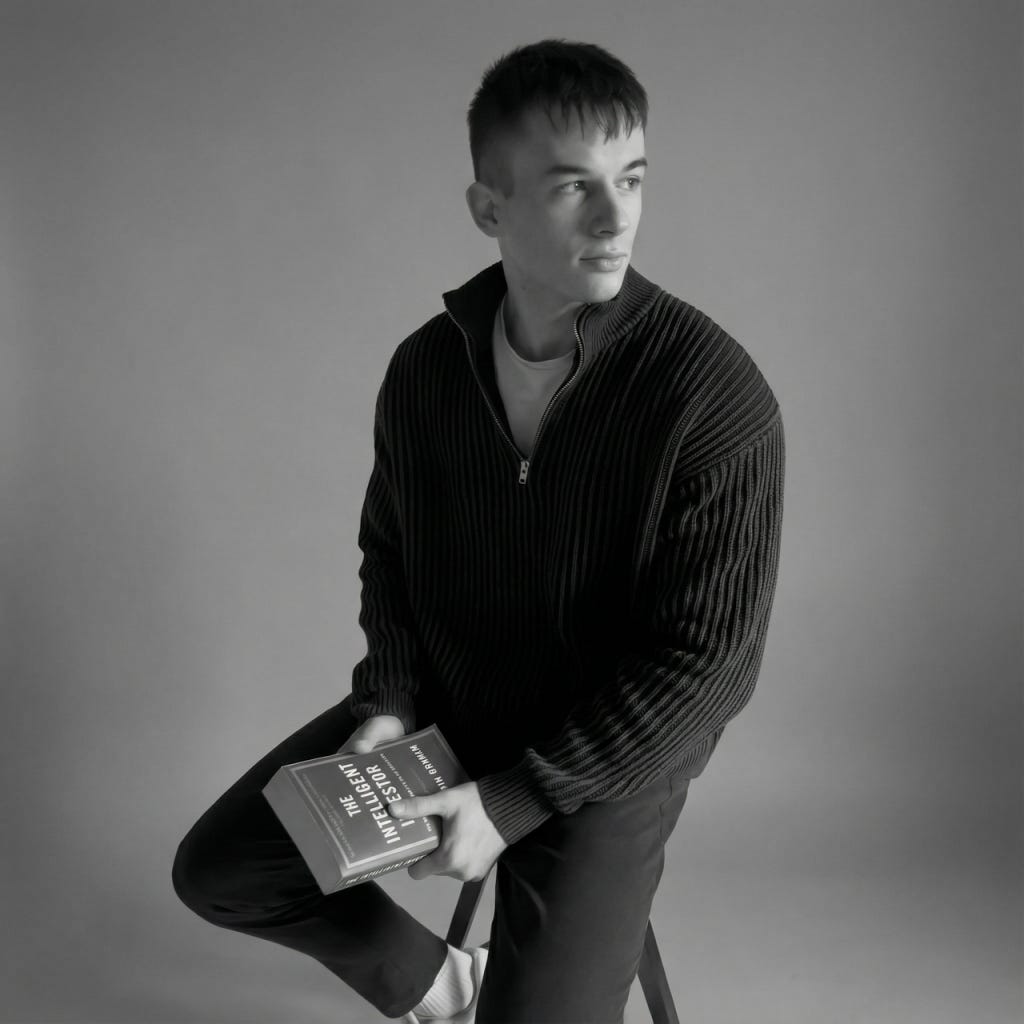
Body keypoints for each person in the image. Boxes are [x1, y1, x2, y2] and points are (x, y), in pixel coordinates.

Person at [172, 38, 784, 1024]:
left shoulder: (711, 393)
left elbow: (710, 665)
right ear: (488, 208)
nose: (616, 216)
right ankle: (445, 986)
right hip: (457, 710)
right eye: (572, 186)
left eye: (632, 178)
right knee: (223, 868)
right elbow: (391, 555)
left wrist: (513, 801)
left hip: (610, 754)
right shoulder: (425, 372)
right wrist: (388, 702)